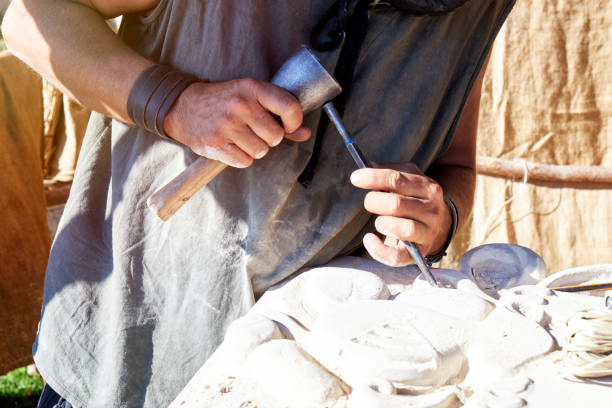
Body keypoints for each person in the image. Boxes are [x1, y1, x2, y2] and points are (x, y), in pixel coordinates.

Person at [2, 0, 514, 407]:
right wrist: (175, 103)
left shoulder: (474, 9)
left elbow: (457, 164)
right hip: (138, 335)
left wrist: (439, 214)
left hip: (323, 362)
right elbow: (31, 17)